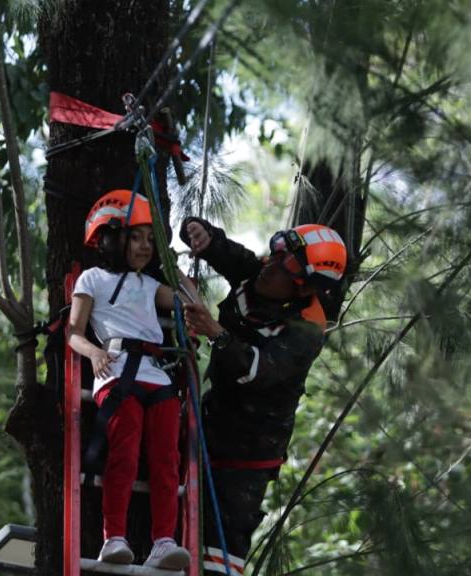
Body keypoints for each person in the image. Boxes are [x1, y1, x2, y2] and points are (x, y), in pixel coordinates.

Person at [179, 218, 347, 576]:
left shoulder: (306, 330)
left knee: (221, 547)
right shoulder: (255, 271)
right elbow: (217, 245)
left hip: (249, 451)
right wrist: (198, 233)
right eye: (277, 254)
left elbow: (257, 371)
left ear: (303, 287)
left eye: (283, 265)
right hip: (212, 421)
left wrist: (216, 333)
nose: (270, 265)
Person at [68, 189, 199, 570]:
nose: (145, 247)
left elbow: (189, 302)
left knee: (166, 460)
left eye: (149, 241)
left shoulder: (148, 285)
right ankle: (114, 537)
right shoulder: (91, 279)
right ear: (111, 240)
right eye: (136, 238)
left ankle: (163, 541)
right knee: (123, 455)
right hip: (117, 372)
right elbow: (73, 332)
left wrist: (172, 264)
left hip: (157, 377)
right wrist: (94, 353)